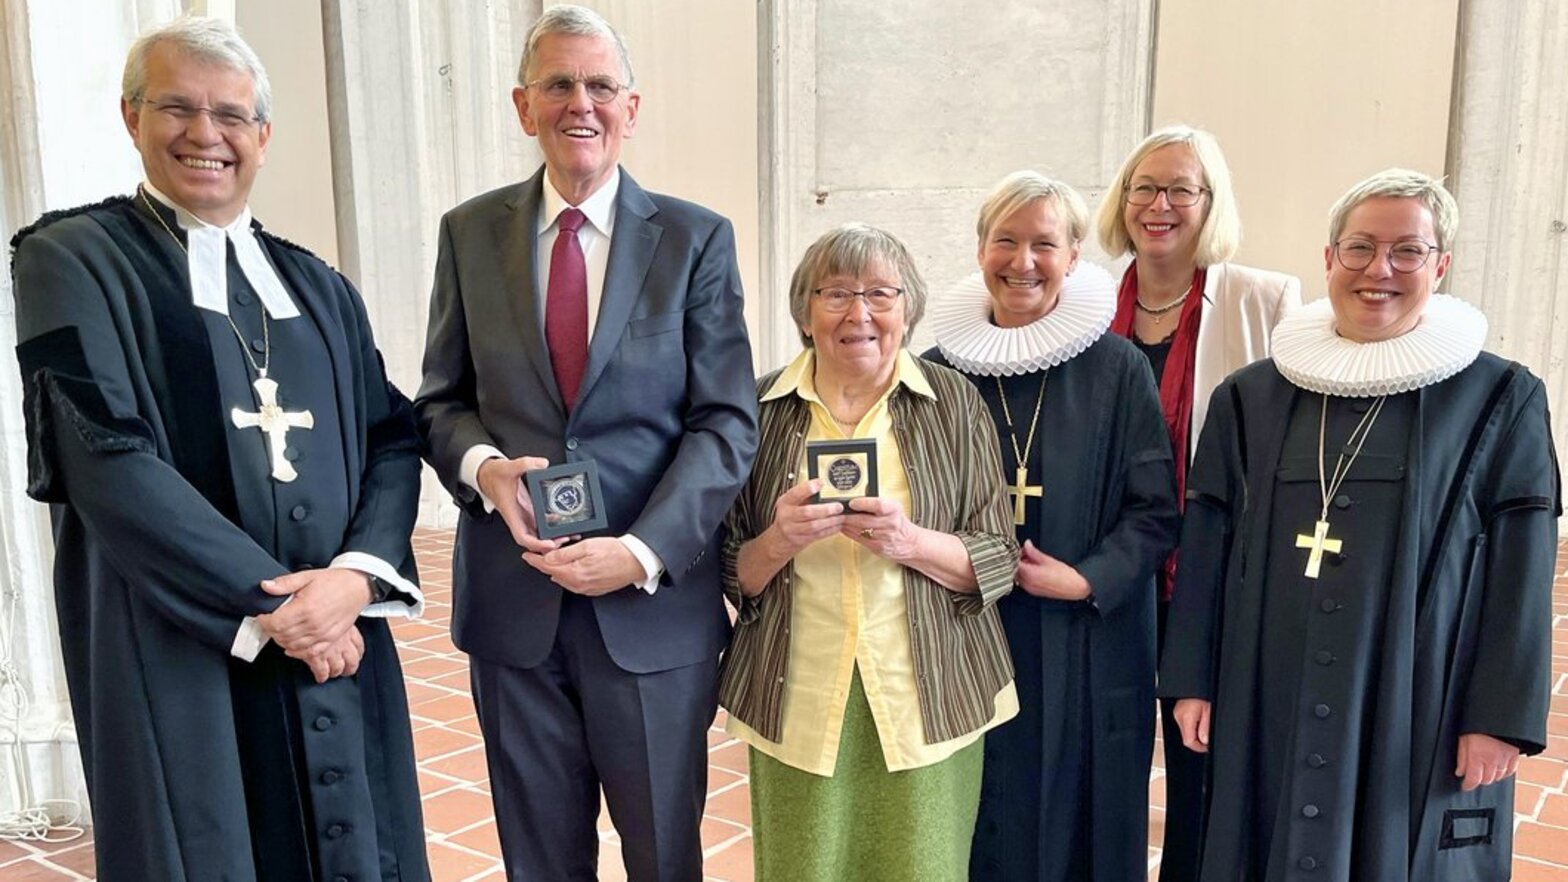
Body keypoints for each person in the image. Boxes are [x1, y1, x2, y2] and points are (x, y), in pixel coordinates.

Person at [8, 16, 428, 881]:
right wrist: (281, 608)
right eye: (177, 109)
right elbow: (102, 457)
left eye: (231, 115)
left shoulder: (319, 285)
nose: (207, 135)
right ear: (132, 117)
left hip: (336, 628)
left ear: (264, 136)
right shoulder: (72, 259)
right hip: (181, 639)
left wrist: (353, 580)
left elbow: (392, 435)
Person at [413, 5, 759, 880]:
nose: (581, 103)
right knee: (539, 861)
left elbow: (725, 423)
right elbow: (441, 401)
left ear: (630, 108)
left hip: (649, 614)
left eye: (600, 85)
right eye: (558, 84)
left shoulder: (693, 240)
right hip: (513, 607)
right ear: (524, 105)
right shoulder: (469, 234)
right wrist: (485, 470)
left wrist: (641, 551)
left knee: (662, 857)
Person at [1159, 169, 1560, 880]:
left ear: (1441, 265)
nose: (1380, 270)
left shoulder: (1500, 395)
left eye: (1408, 251)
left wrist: (1501, 716)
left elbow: (1522, 568)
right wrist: (1193, 676)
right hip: (1265, 684)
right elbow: (1207, 540)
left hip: (1416, 697)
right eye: (1360, 248)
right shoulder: (1250, 396)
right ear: (1328, 259)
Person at [720, 223, 1019, 881]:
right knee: (804, 868)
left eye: (881, 293)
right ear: (805, 310)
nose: (859, 313)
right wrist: (779, 540)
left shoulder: (953, 403)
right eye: (836, 293)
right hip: (796, 694)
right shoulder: (757, 410)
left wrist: (908, 542)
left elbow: (998, 554)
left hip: (929, 693)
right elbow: (727, 567)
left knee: (923, 866)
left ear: (906, 308)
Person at [927, 171, 1180, 880]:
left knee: (1077, 823)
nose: (1023, 261)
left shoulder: (1117, 367)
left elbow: (1156, 510)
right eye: (1005, 240)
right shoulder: (941, 372)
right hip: (970, 628)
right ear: (980, 251)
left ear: (1073, 255)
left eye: (1044, 243)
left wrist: (1086, 578)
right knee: (980, 816)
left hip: (1083, 637)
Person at [1094, 124, 1301, 881]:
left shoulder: (1264, 299)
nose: (1159, 204)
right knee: (1105, 756)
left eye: (1182, 188)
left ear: (1211, 202)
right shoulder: (1086, 303)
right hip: (1110, 572)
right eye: (1144, 187)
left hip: (1209, 576)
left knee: (1201, 767)